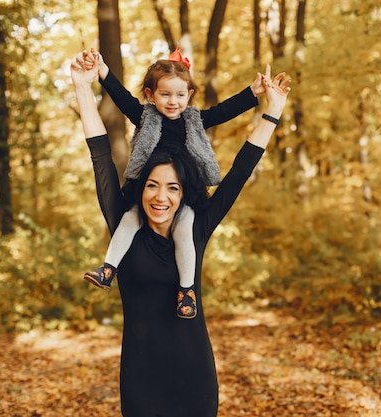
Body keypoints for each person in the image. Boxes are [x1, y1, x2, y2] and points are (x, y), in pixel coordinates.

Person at [71, 51, 290, 416]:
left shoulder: (197, 226)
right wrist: (83, 86)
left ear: (183, 193)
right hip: (141, 378)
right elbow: (100, 155)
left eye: (172, 188)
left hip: (194, 375)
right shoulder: (124, 226)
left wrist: (272, 109)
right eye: (153, 186)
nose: (161, 196)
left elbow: (241, 167)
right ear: (141, 188)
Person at [81, 47, 279, 319]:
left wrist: (252, 92)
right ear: (150, 95)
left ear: (189, 95)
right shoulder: (145, 117)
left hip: (185, 194)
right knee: (128, 220)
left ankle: (186, 290)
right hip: (147, 191)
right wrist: (102, 72)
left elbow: (223, 111)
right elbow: (122, 98)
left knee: (185, 230)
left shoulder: (194, 120)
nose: (173, 101)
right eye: (165, 94)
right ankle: (108, 269)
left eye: (180, 95)